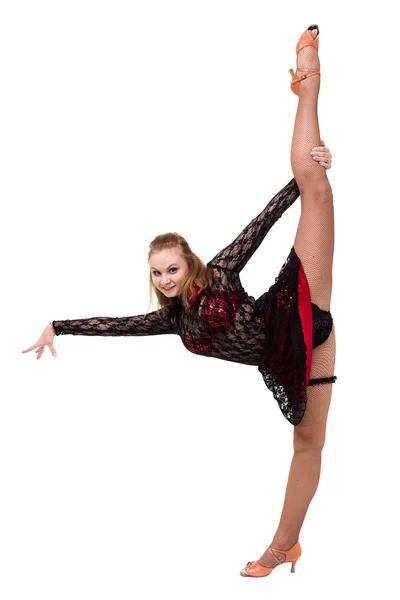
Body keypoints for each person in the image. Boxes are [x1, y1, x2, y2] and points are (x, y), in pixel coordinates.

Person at [22, 24, 335, 578]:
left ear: (188, 263)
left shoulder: (218, 273)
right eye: (157, 273)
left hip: (298, 309)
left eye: (172, 267)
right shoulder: (168, 322)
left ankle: (306, 74)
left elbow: (260, 225)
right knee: (306, 448)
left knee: (314, 180)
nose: (166, 278)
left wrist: (301, 179)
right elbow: (113, 325)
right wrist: (57, 325)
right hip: (287, 361)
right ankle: (286, 545)